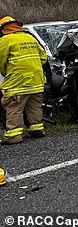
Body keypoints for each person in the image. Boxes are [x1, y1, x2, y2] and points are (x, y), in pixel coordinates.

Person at [0, 16, 47, 144]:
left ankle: (13, 136)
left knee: (14, 107)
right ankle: (37, 130)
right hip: (37, 81)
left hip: (18, 83)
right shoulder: (30, 38)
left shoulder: (6, 40)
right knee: (35, 107)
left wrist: (5, 72)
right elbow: (43, 58)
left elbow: (1, 61)